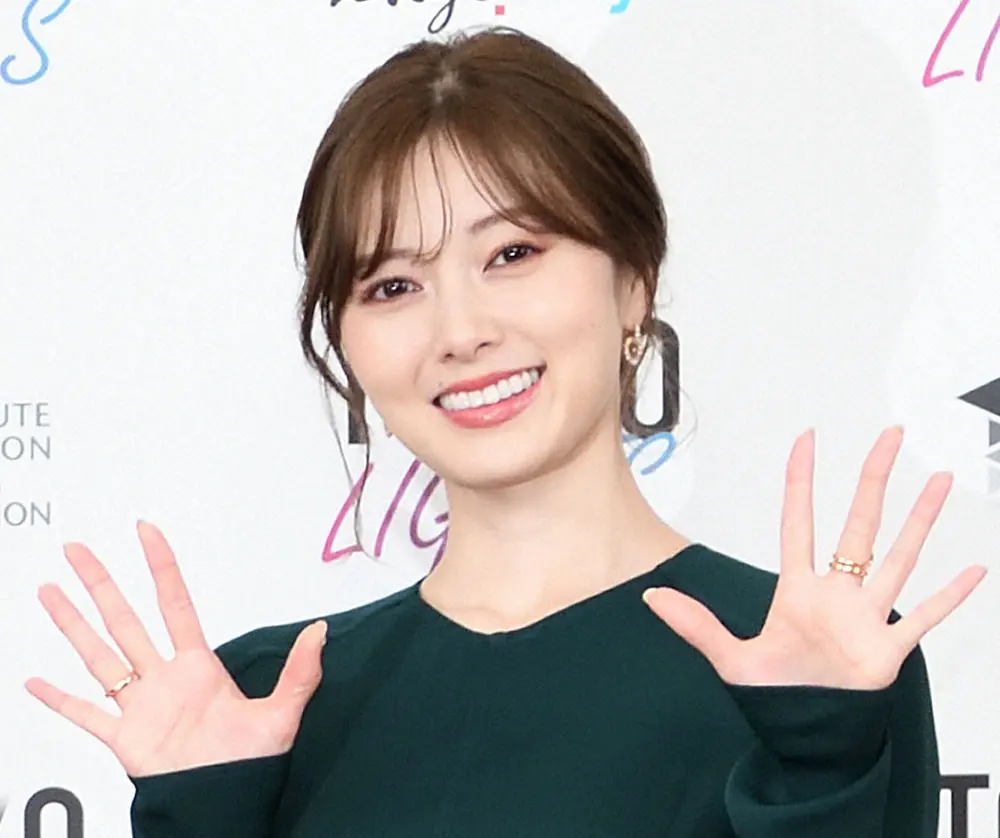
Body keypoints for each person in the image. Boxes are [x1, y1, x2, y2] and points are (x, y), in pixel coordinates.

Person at [25, 26, 987, 838]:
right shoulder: (261, 703)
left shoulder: (813, 664)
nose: (460, 331)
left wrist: (822, 758)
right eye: (392, 286)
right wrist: (201, 818)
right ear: (346, 342)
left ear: (634, 282)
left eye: (513, 252)